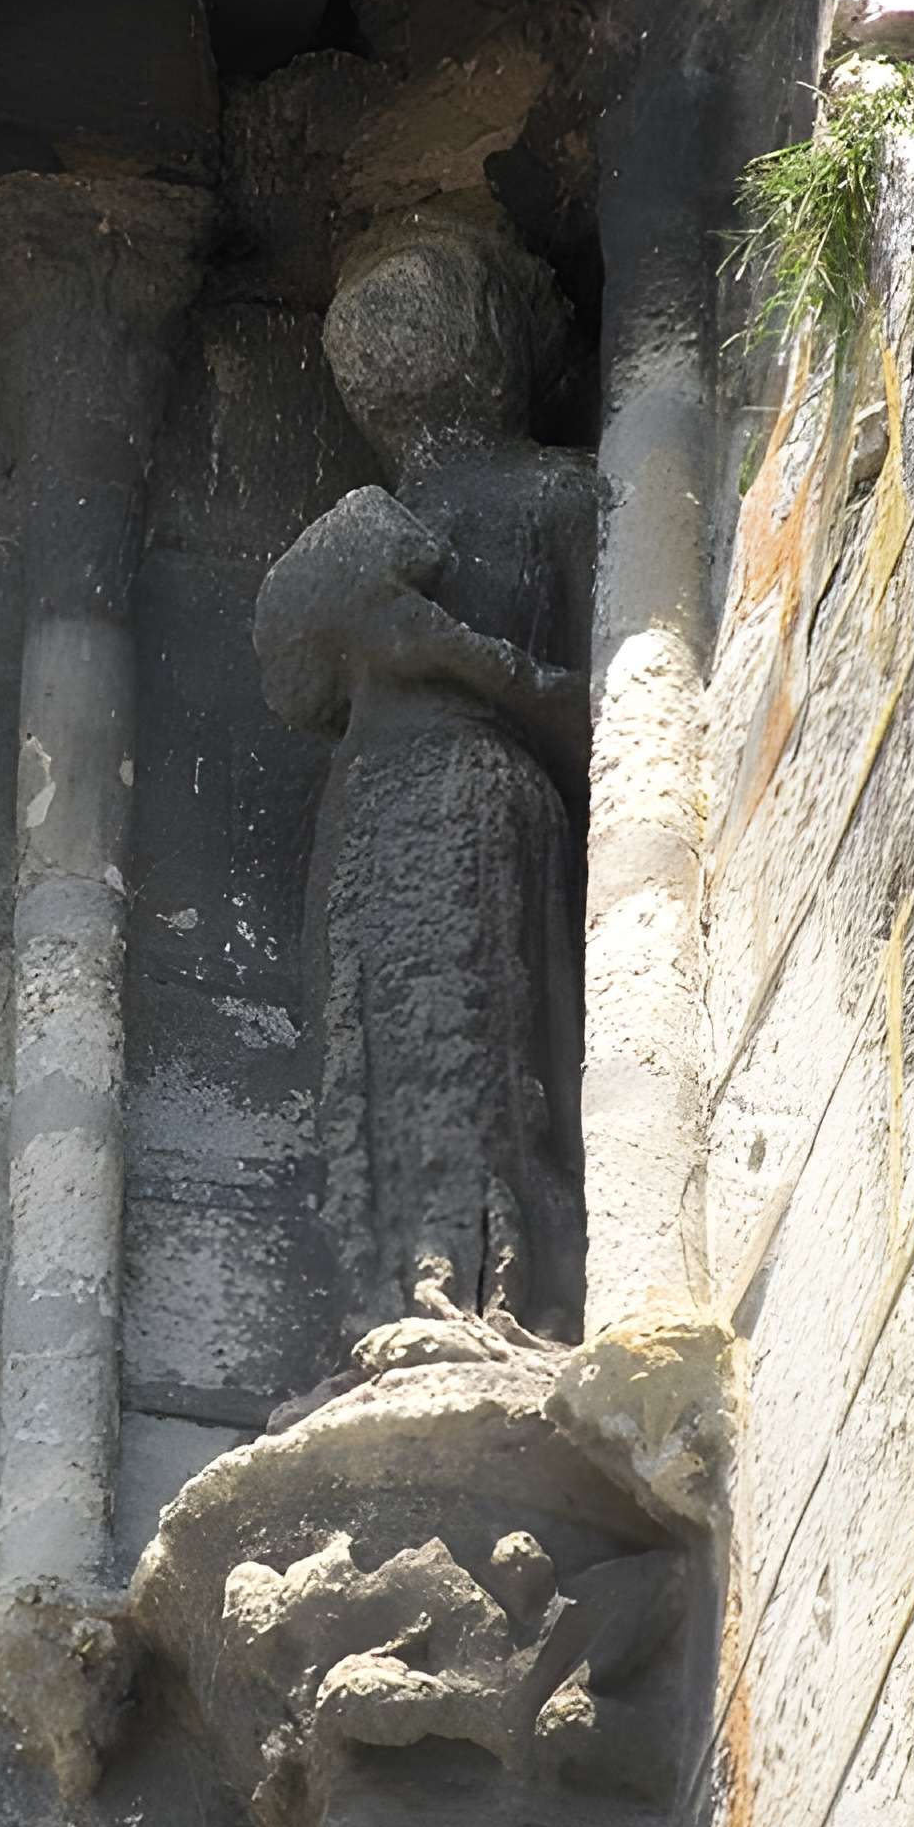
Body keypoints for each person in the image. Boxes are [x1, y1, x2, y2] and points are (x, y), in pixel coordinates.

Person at [255, 212, 596, 1343]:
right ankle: (388, 1302)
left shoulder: (557, 498)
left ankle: (496, 1294)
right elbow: (298, 693)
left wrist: (445, 654)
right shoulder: (359, 532)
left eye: (427, 295)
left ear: (497, 336)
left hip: (477, 796)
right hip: (368, 817)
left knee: (478, 1050)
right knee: (367, 1067)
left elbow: (621, 713)